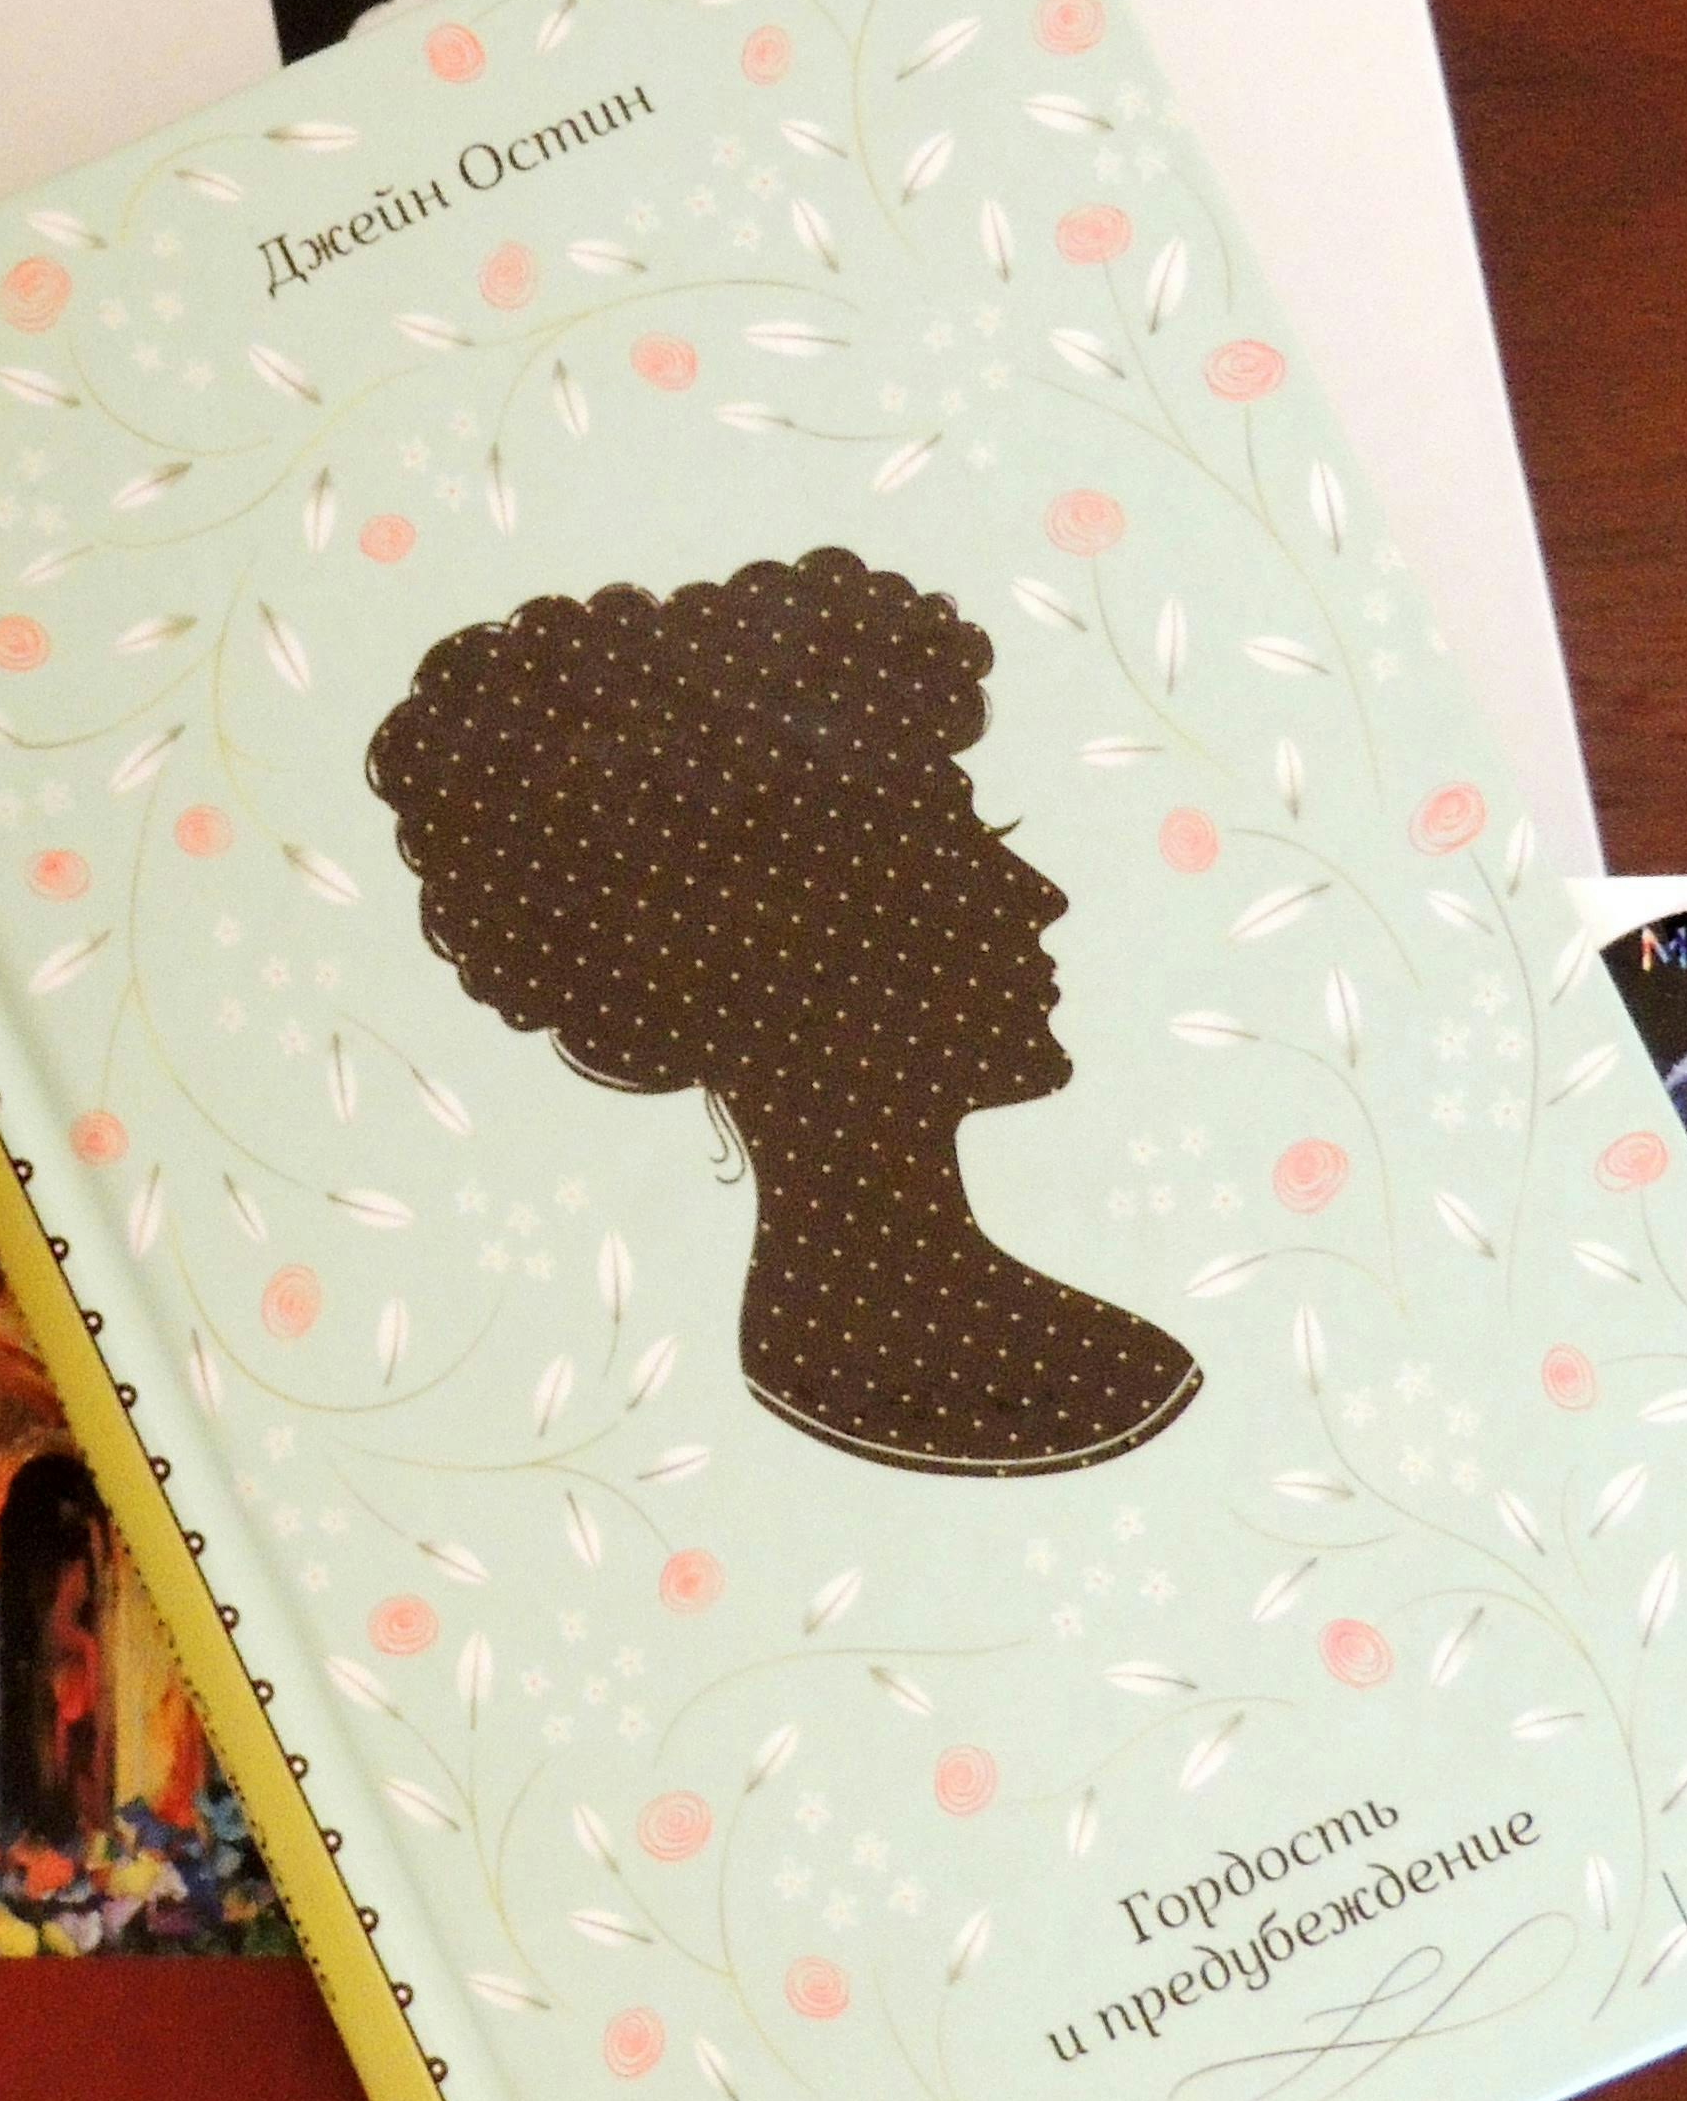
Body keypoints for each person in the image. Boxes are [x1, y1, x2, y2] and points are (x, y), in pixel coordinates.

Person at [366, 548, 1201, 1479]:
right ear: (805, 958)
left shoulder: (1052, 1351)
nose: (1037, 895)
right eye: (956, 852)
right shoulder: (1009, 1362)